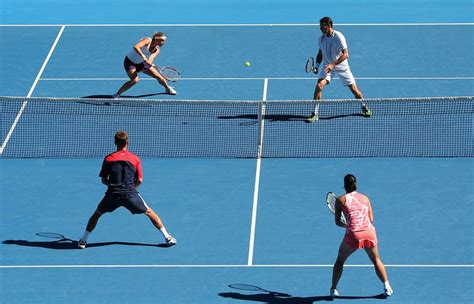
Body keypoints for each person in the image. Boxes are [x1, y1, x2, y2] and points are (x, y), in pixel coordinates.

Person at [78, 130, 176, 249]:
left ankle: (83, 241)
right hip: (131, 195)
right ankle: (167, 238)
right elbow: (139, 180)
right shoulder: (135, 159)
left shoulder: (108, 159)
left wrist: (114, 186)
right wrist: (130, 189)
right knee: (150, 213)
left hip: (112, 195)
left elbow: (103, 180)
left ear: (115, 142)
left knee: (96, 215)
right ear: (127, 142)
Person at [330, 174, 393, 297]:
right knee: (376, 260)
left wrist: (348, 225)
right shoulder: (365, 198)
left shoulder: (340, 200)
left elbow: (338, 222)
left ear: (344, 185)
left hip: (353, 235)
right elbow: (371, 219)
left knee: (340, 261)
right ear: (355, 184)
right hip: (369, 232)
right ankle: (387, 286)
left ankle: (333, 289)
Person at [307, 17, 371, 123]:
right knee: (319, 86)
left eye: (322, 26)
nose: (320, 28)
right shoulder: (321, 39)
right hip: (328, 67)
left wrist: (334, 64)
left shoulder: (338, 36)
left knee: (355, 90)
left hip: (341, 65)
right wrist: (317, 66)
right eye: (320, 26)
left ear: (328, 25)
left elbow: (346, 54)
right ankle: (315, 113)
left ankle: (363, 106)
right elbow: (320, 54)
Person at [113, 32, 177, 98]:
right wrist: (143, 56)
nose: (163, 42)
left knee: (160, 77)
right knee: (134, 80)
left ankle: (167, 88)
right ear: (156, 39)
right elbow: (136, 46)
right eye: (162, 40)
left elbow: (151, 59)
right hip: (130, 62)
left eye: (164, 41)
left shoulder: (157, 50)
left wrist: (148, 64)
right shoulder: (147, 40)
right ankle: (117, 94)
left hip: (141, 64)